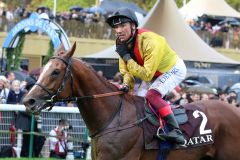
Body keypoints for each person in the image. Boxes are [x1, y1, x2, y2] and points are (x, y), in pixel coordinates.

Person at [106, 8, 187, 144]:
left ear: (133, 25)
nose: (119, 30)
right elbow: (126, 71)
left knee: (152, 95)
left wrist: (126, 56)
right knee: (137, 101)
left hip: (173, 69)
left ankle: (176, 131)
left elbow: (147, 75)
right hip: (154, 73)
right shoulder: (121, 42)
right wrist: (127, 85)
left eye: (123, 25)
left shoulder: (151, 41)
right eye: (116, 27)